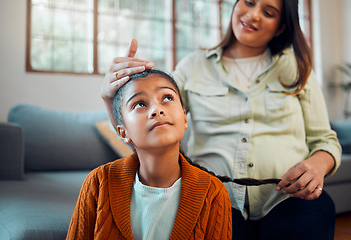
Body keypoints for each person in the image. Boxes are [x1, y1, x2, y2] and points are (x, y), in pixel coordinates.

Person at [101, 0, 342, 239]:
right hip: (212, 198)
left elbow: (325, 140)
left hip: (290, 200)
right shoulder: (193, 66)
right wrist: (110, 97)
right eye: (248, 2)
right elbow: (148, 127)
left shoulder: (299, 69)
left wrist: (318, 166)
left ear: (280, 27)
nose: (254, 14)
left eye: (268, 12)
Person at [67, 69, 232, 240]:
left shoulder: (213, 192)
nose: (157, 110)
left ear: (184, 118)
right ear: (123, 132)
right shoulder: (98, 183)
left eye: (167, 98)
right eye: (139, 104)